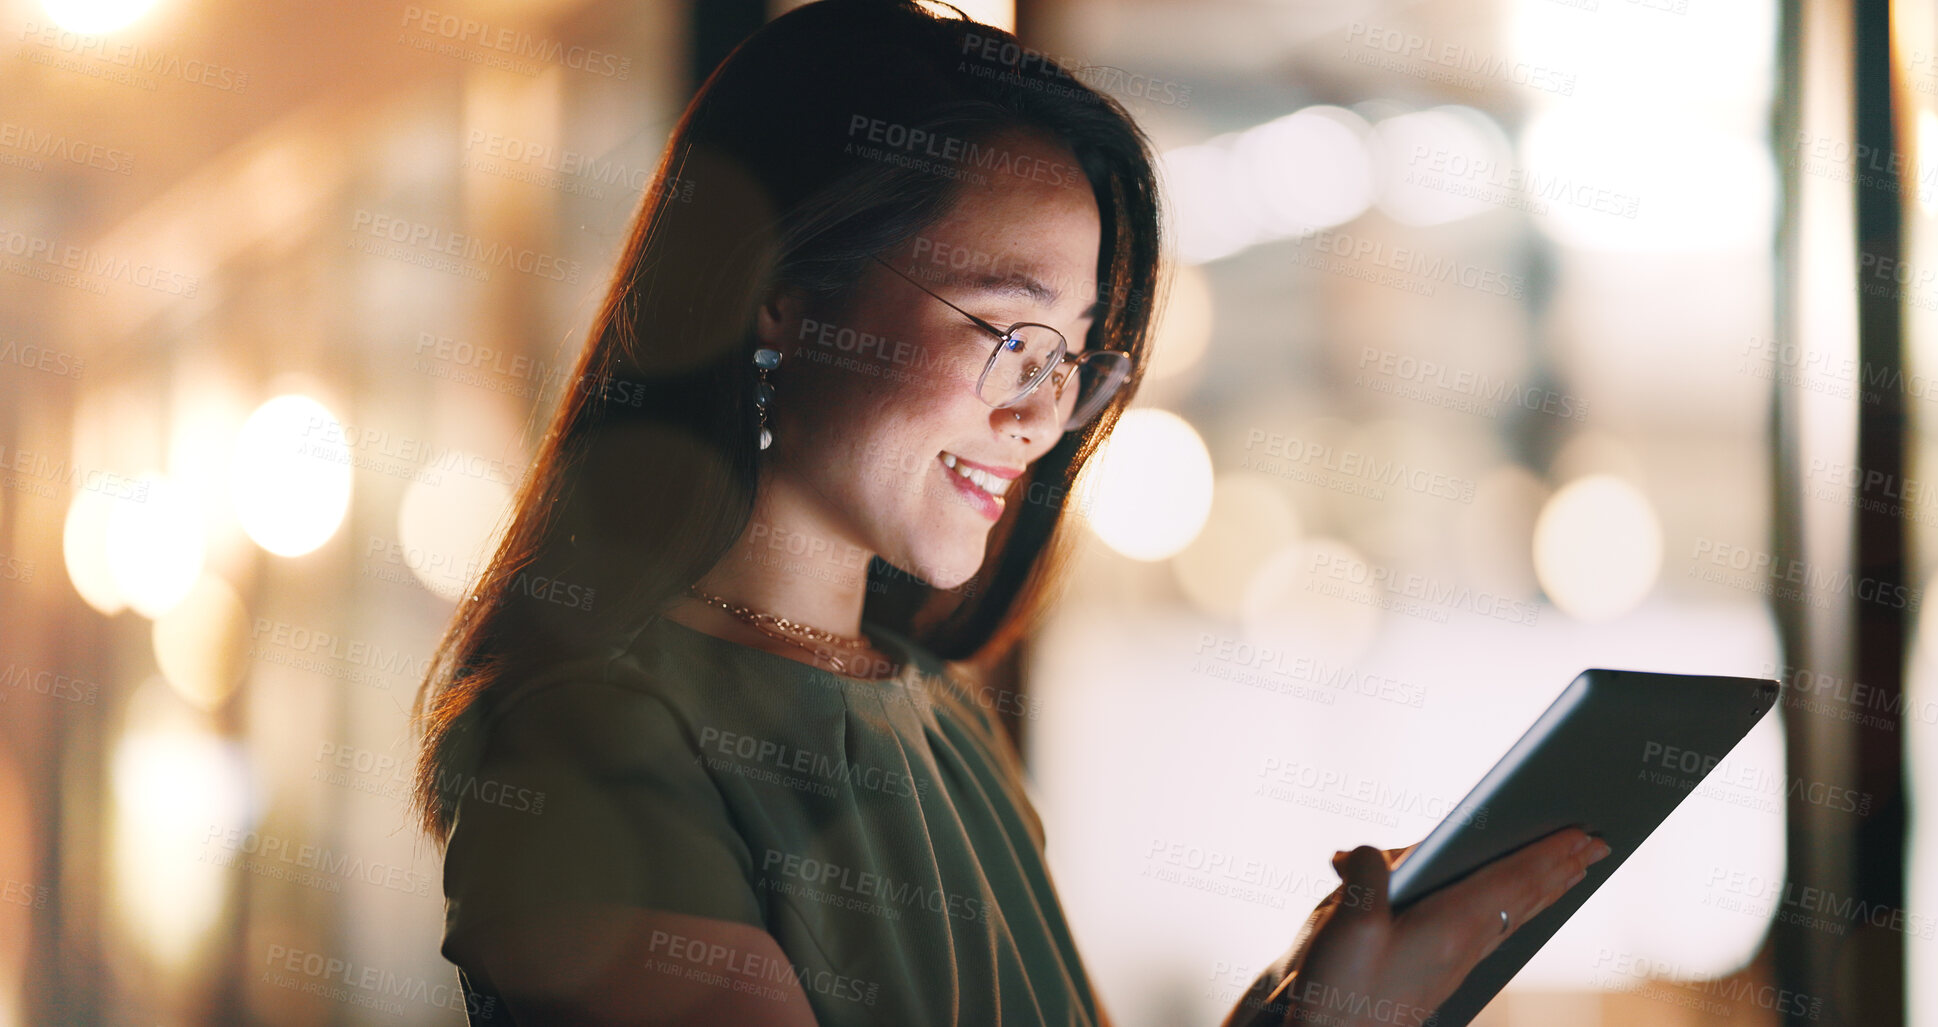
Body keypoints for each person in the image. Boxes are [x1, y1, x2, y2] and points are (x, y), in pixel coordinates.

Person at [408, 2, 1613, 1024]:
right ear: (780, 294)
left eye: (1076, 360)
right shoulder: (587, 745)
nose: (1043, 418)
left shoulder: (938, 713)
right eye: (1012, 334)